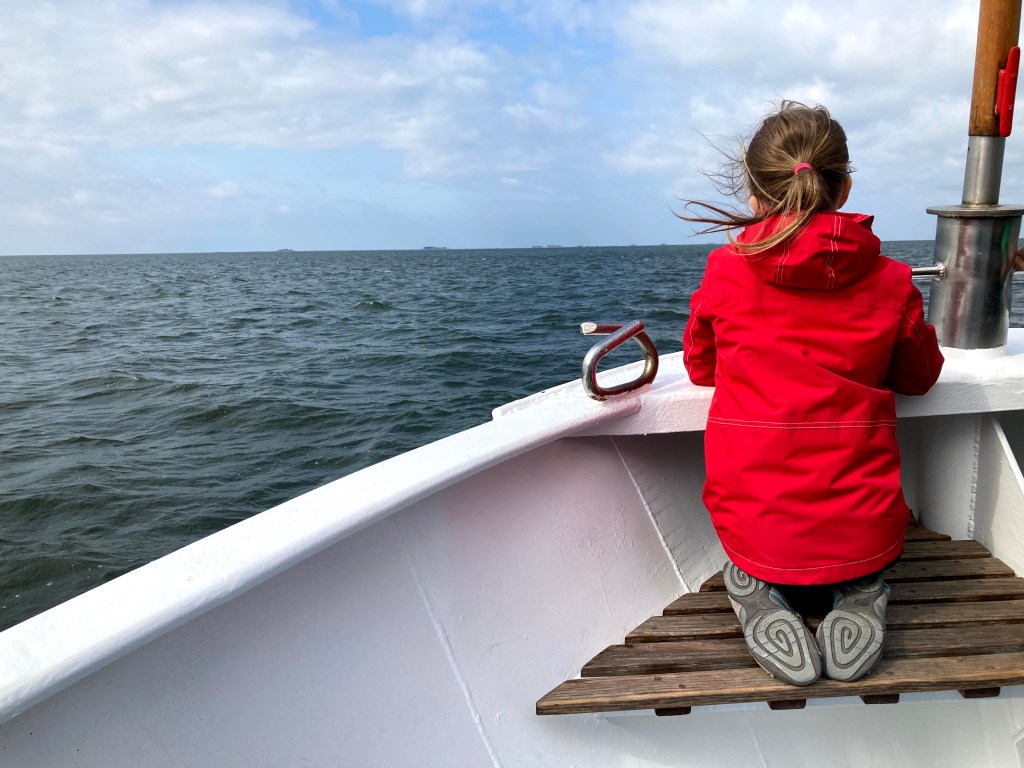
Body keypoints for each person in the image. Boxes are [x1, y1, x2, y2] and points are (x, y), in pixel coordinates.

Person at [680, 101, 944, 686]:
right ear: (843, 188)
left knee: (756, 540)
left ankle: (756, 585)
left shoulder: (725, 271)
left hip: (755, 530)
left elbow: (700, 369)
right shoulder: (894, 280)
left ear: (753, 197)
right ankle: (861, 588)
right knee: (864, 545)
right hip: (867, 530)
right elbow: (920, 376)